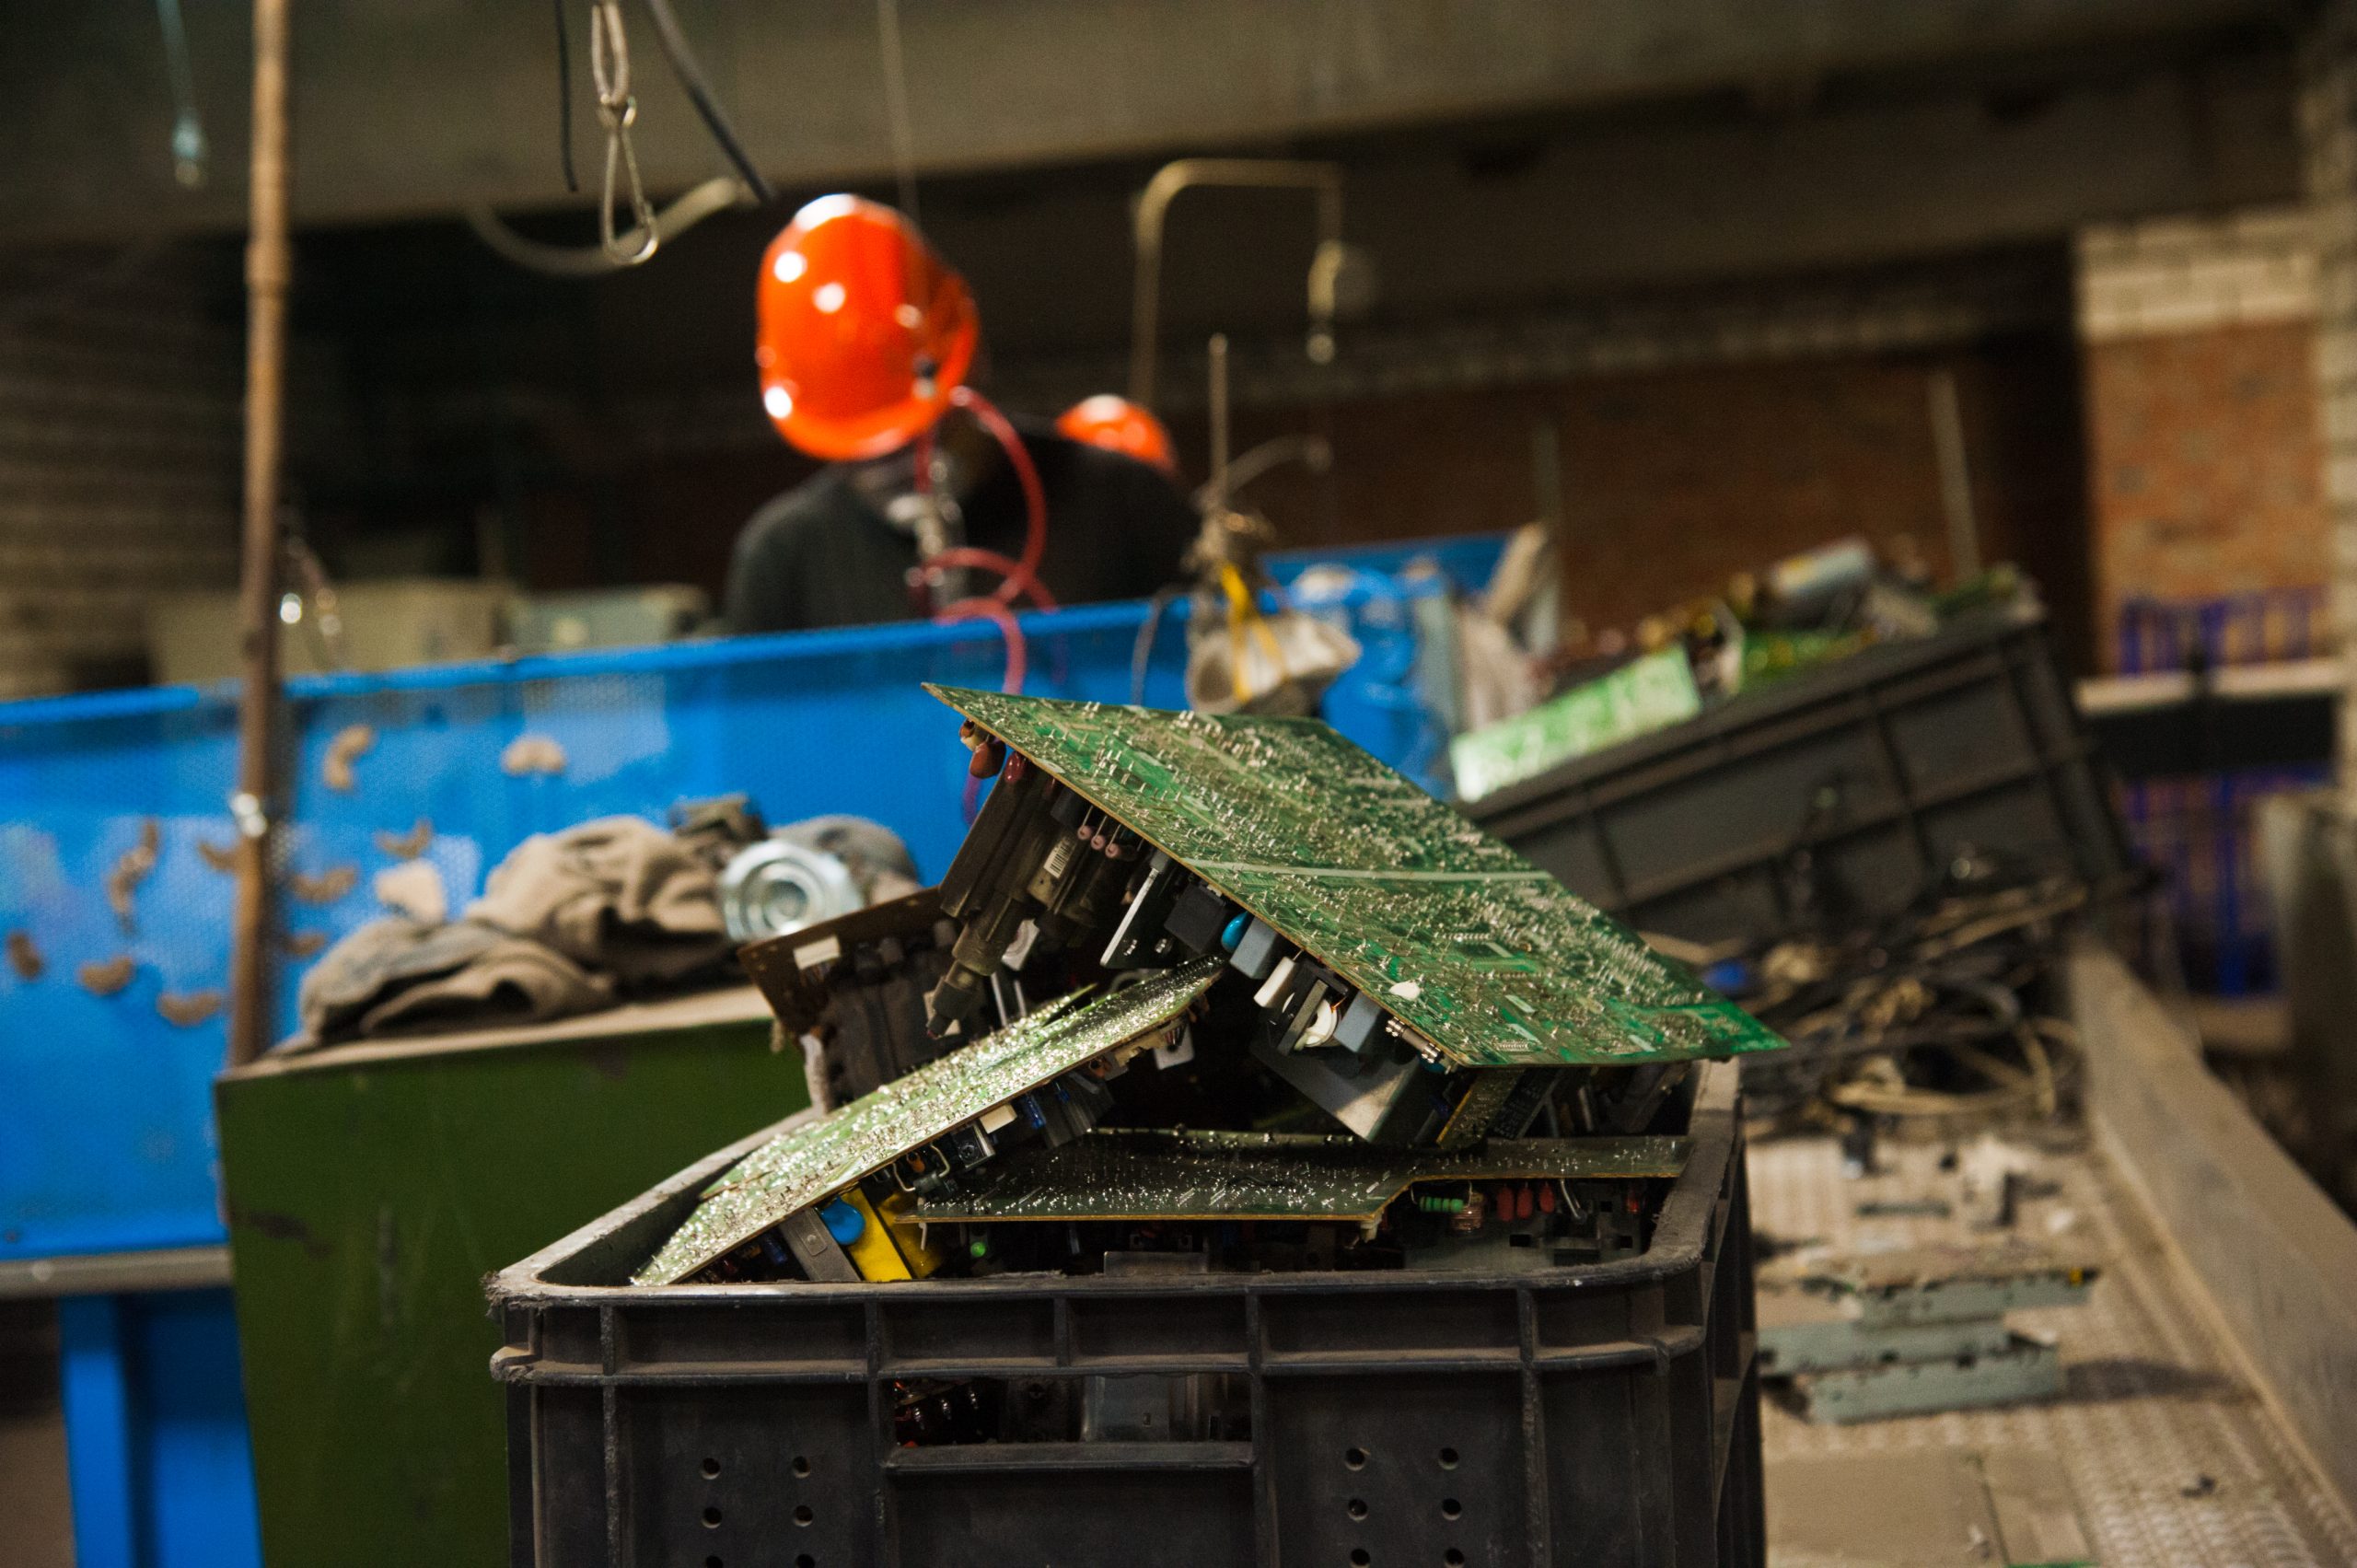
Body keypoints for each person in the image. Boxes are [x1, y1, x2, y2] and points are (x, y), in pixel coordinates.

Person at [726, 197, 1198, 634]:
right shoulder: (783, 561)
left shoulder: (1123, 503)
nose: (895, 465)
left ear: (973, 363)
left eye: (920, 434)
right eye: (863, 453)